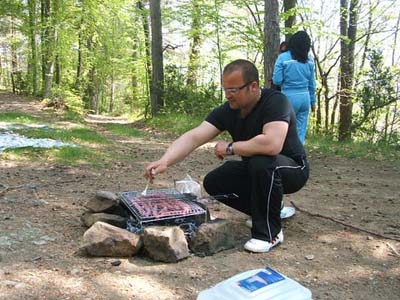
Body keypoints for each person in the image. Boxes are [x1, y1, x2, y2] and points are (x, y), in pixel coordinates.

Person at [145, 59, 309, 253]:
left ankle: (269, 232)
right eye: (225, 89)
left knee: (261, 160)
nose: (228, 95)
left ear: (253, 86)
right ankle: (272, 209)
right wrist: (165, 160)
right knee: (216, 181)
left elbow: (272, 144)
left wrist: (231, 147)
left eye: (233, 90)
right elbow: (194, 137)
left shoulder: (276, 102)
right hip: (259, 171)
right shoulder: (229, 110)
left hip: (292, 170)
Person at [272, 31, 316, 144]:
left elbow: (277, 80)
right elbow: (312, 83)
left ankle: (285, 158)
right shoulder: (310, 60)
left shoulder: (283, 58)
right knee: (300, 131)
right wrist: (313, 102)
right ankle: (299, 157)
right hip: (305, 98)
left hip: (288, 97)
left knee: (285, 130)